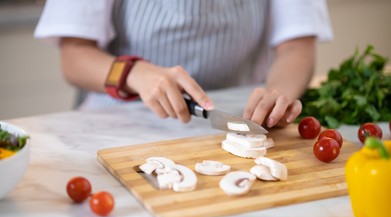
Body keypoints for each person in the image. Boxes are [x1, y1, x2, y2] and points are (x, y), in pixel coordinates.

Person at [34, 0, 332, 128]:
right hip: (120, 121)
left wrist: (277, 96)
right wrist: (134, 73)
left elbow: (296, 46)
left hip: (238, 118)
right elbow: (74, 55)